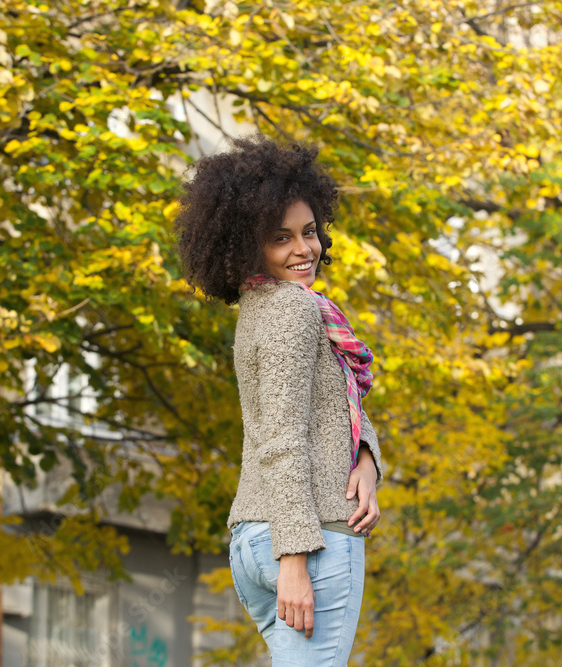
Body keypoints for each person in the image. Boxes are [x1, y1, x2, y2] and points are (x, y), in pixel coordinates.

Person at [174, 135, 384, 665]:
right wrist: (294, 555)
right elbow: (283, 438)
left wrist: (367, 459)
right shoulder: (294, 310)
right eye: (281, 238)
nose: (303, 250)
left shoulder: (261, 307)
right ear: (250, 247)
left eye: (309, 232)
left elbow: (332, 407)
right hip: (306, 538)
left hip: (254, 536)